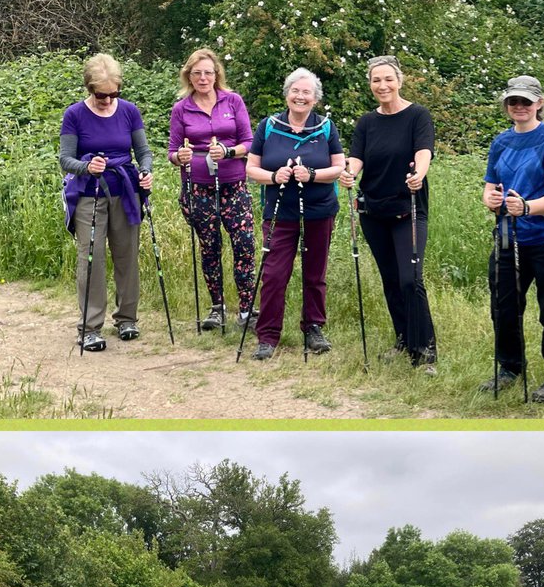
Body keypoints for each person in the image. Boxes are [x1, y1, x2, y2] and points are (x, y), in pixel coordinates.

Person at [481, 75, 544, 404]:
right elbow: (490, 186)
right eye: (513, 101)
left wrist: (527, 207)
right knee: (504, 306)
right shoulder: (501, 142)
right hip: (508, 237)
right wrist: (490, 200)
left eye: (525, 101)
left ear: (539, 103)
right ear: (507, 105)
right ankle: (509, 367)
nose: (519, 107)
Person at [341, 55, 436, 371]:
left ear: (399, 80)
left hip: (408, 210)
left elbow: (424, 152)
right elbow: (356, 159)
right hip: (373, 212)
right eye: (375, 80)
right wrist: (348, 174)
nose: (382, 85)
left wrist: (419, 173)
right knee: (392, 280)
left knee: (411, 280)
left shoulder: (418, 116)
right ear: (370, 84)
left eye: (387, 79)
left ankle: (426, 349)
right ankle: (404, 340)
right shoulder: (367, 122)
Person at [245, 67, 345, 360]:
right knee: (275, 274)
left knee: (315, 273)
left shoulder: (325, 126)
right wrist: (274, 176)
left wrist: (312, 174)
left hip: (319, 210)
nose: (300, 97)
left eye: (307, 93)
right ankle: (267, 336)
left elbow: (339, 167)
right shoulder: (269, 125)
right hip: (279, 211)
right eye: (295, 91)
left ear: (315, 99)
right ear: (287, 94)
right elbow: (251, 169)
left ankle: (313, 327)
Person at [59, 53, 154, 351]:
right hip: (89, 195)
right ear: (89, 89)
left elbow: (144, 151)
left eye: (114, 93)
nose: (108, 100)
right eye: (102, 95)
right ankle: (89, 327)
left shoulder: (128, 111)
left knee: (127, 256)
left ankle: (127, 318)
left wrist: (146, 172)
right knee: (92, 258)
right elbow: (65, 159)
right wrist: (86, 167)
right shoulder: (74, 114)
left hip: (125, 191)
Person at [168, 48, 257, 330]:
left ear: (216, 74)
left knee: (244, 245)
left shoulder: (233, 101)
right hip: (198, 189)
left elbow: (250, 143)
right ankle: (216, 307)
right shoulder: (181, 108)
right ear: (189, 77)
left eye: (208, 72)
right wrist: (179, 157)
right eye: (197, 73)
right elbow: (172, 150)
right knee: (210, 247)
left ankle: (246, 308)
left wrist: (229, 152)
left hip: (234, 186)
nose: (203, 78)